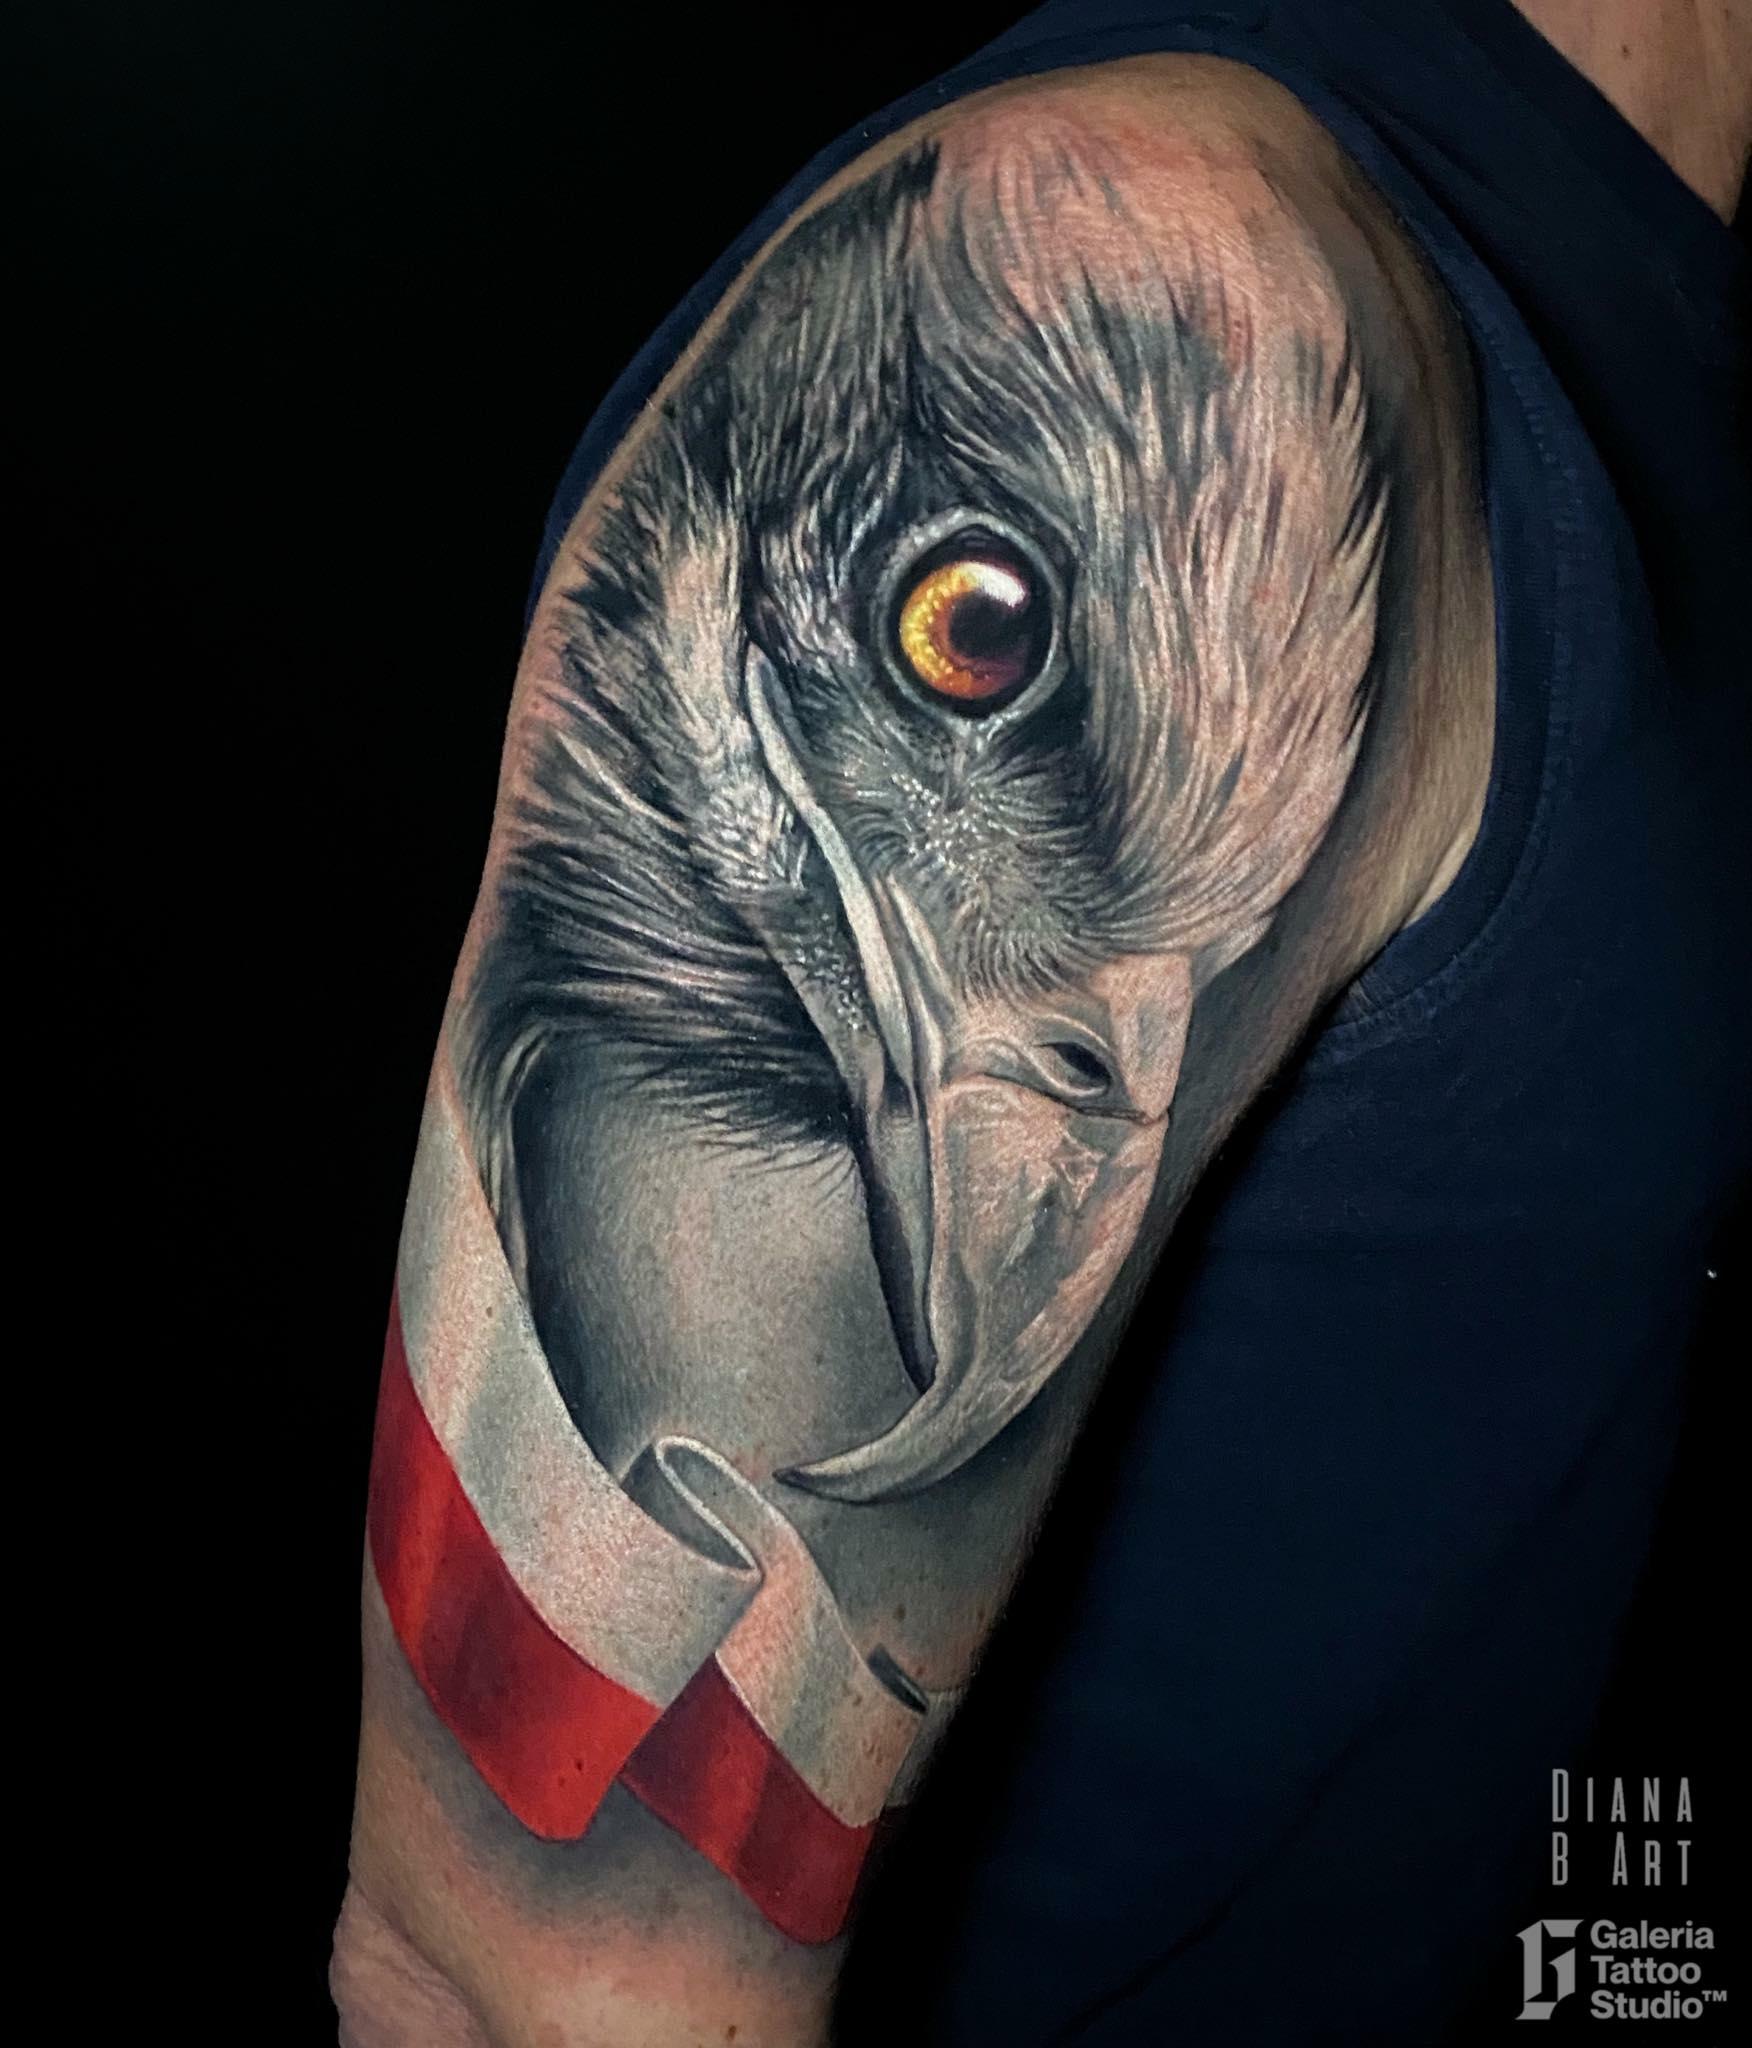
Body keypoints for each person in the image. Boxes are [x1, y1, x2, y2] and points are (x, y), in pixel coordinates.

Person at [331, 3, 1751, 2041]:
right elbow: (496, 1993)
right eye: (971, 629)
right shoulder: (1214, 276)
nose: (1082, 1085)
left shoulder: (1622, 276)